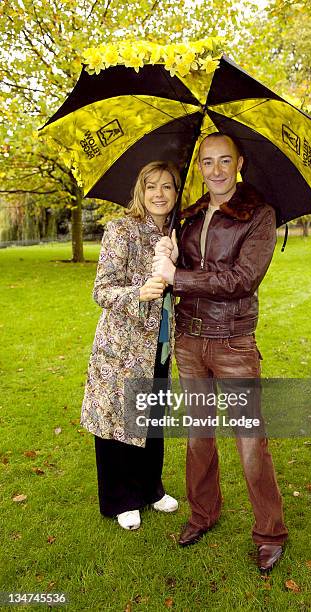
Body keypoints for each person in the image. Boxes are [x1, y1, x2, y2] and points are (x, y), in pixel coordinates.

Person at [152, 133, 288, 573]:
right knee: (198, 436)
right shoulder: (188, 215)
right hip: (189, 342)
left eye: (224, 161)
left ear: (239, 162)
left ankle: (270, 532)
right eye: (208, 162)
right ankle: (203, 513)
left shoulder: (259, 215)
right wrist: (169, 256)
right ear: (200, 168)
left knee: (250, 441)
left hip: (232, 342)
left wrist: (180, 278)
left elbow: (242, 279)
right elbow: (182, 270)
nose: (215, 170)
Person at [81, 161, 180, 531]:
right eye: (151, 186)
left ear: (175, 192)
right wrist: (138, 293)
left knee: (151, 419)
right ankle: (120, 498)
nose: (159, 194)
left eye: (167, 187)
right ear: (141, 191)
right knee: (116, 421)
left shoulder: (176, 232)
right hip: (122, 347)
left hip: (161, 342)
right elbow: (101, 290)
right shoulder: (121, 230)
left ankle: (151, 489)